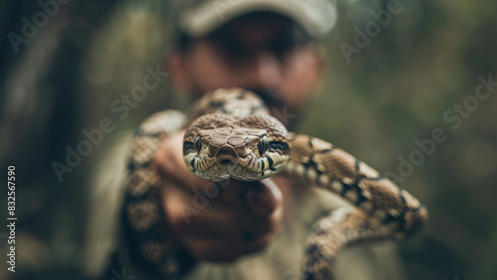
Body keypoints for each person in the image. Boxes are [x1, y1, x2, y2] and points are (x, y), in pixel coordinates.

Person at [85, 1, 406, 279]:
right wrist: (160, 234)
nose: (261, 76)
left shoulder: (360, 215)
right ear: (178, 67)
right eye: (232, 48)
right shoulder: (139, 157)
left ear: (315, 69)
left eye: (283, 46)